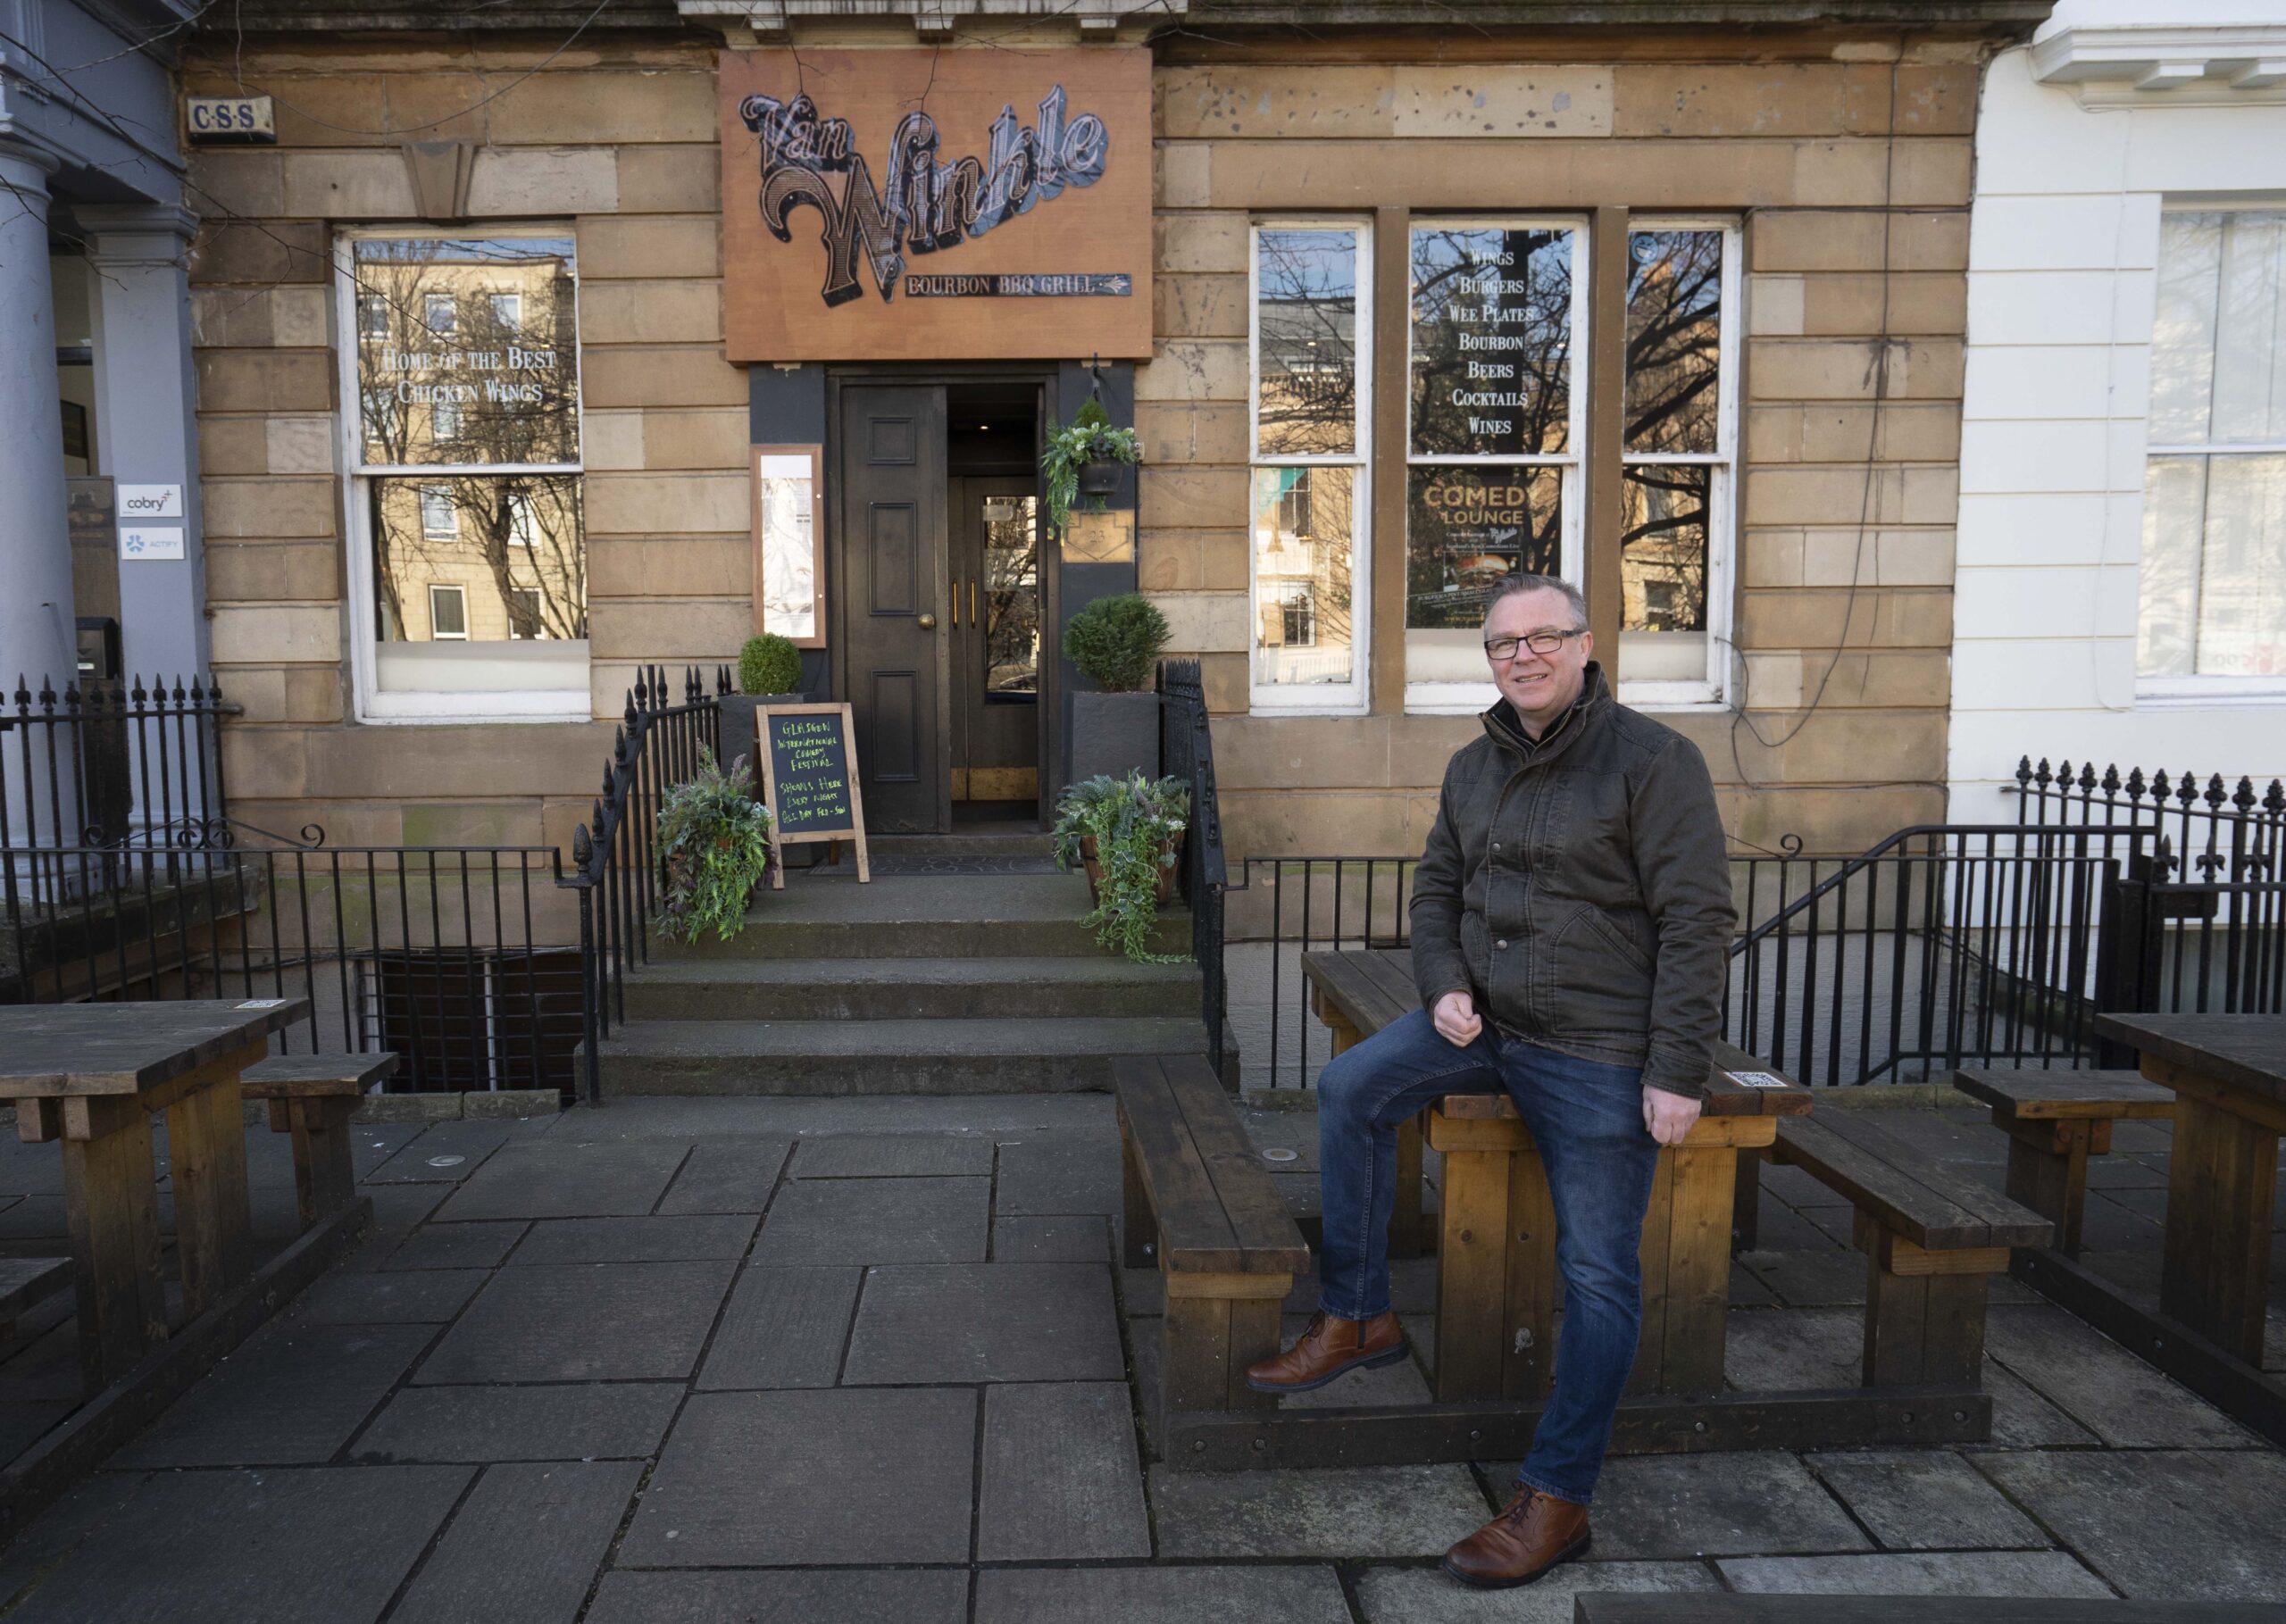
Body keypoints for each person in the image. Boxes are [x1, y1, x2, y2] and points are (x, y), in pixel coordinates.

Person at [1243, 572, 1736, 1591]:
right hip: (1482, 1022)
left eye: (1542, 637)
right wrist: (1444, 983)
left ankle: (1558, 1495)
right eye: (1503, 643)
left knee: (1596, 1271)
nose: (1522, 655)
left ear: (1585, 645)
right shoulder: (1472, 765)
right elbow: (1433, 891)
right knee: (1348, 1092)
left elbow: (1695, 921)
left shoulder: (1655, 760)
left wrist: (1676, 1069)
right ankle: (1360, 1316)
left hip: (1599, 1043)